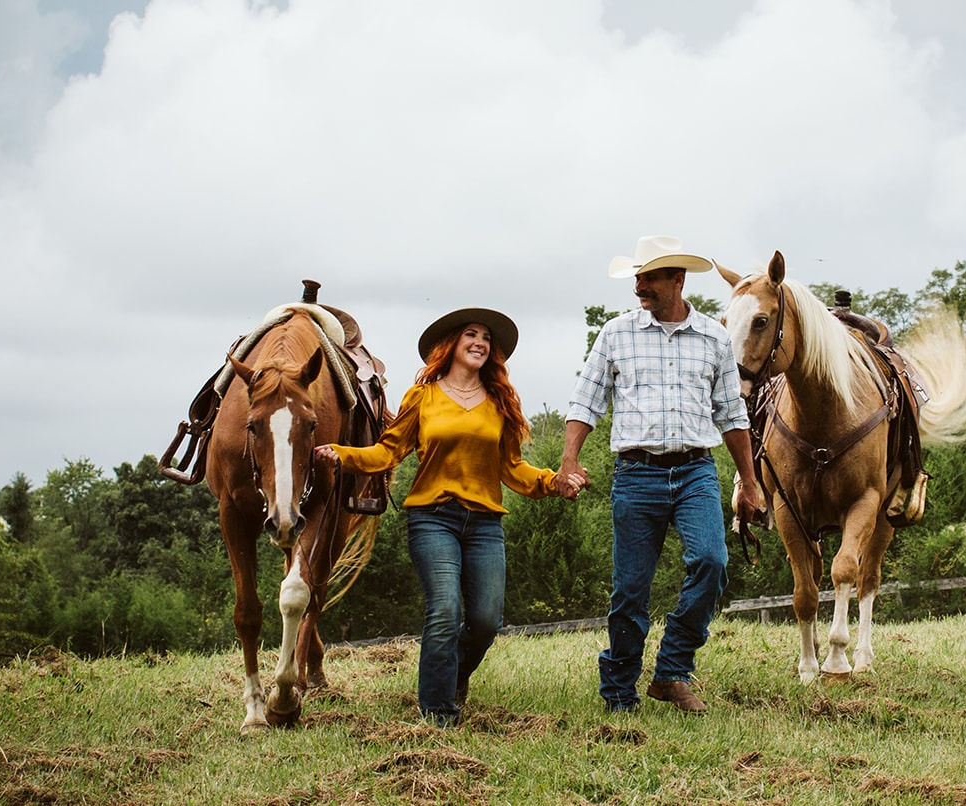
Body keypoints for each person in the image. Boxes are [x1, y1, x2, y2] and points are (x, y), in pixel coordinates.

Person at [316, 308, 584, 726]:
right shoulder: (422, 397)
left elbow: (514, 469)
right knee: (444, 609)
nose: (480, 342)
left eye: (486, 339)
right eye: (471, 335)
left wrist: (556, 482)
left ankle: (453, 677)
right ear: (453, 345)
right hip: (432, 518)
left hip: (484, 525)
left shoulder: (499, 404)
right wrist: (342, 455)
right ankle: (438, 712)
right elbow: (387, 452)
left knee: (486, 620)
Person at [560, 235, 765, 713]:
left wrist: (750, 482)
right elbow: (585, 401)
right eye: (637, 276)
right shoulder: (616, 334)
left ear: (678, 279)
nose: (638, 286)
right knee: (631, 588)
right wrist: (569, 459)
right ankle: (619, 691)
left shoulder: (714, 338)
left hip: (695, 471)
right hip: (636, 474)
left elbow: (732, 416)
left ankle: (671, 670)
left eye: (648, 277)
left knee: (712, 562)